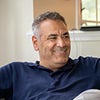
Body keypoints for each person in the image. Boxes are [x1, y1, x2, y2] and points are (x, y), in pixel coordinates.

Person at [0, 11, 100, 100]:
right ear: (36, 43)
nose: (62, 44)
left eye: (65, 36)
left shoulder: (91, 67)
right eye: (53, 38)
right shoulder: (15, 72)